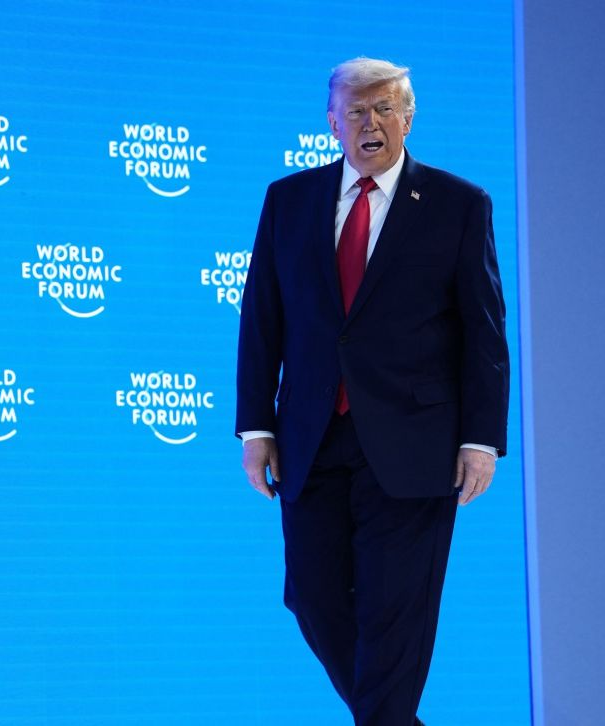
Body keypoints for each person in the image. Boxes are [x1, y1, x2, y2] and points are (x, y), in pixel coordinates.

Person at [235, 57, 509, 725]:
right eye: (356, 111)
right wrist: (257, 428)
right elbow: (262, 317)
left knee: (397, 612)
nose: (371, 122)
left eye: (385, 108)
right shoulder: (288, 200)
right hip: (311, 439)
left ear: (408, 118)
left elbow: (483, 330)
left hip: (415, 444)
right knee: (311, 597)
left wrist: (481, 439)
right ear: (332, 123)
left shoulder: (458, 204)